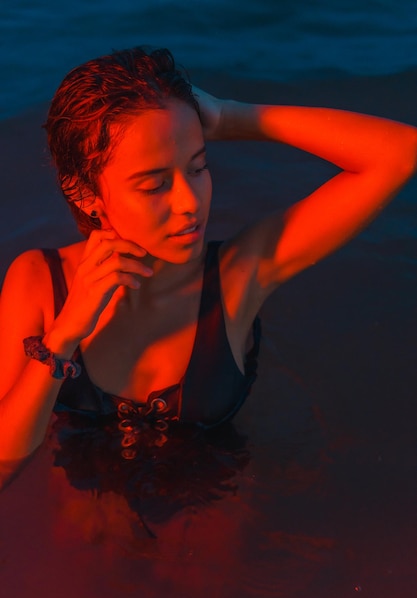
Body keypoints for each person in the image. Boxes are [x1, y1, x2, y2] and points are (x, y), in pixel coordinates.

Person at [0, 46, 416, 466]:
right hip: (82, 521)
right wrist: (63, 337)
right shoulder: (39, 282)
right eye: (154, 185)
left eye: (198, 168)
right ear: (86, 193)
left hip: (212, 512)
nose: (190, 203)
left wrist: (230, 115)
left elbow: (399, 152)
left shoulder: (237, 277)